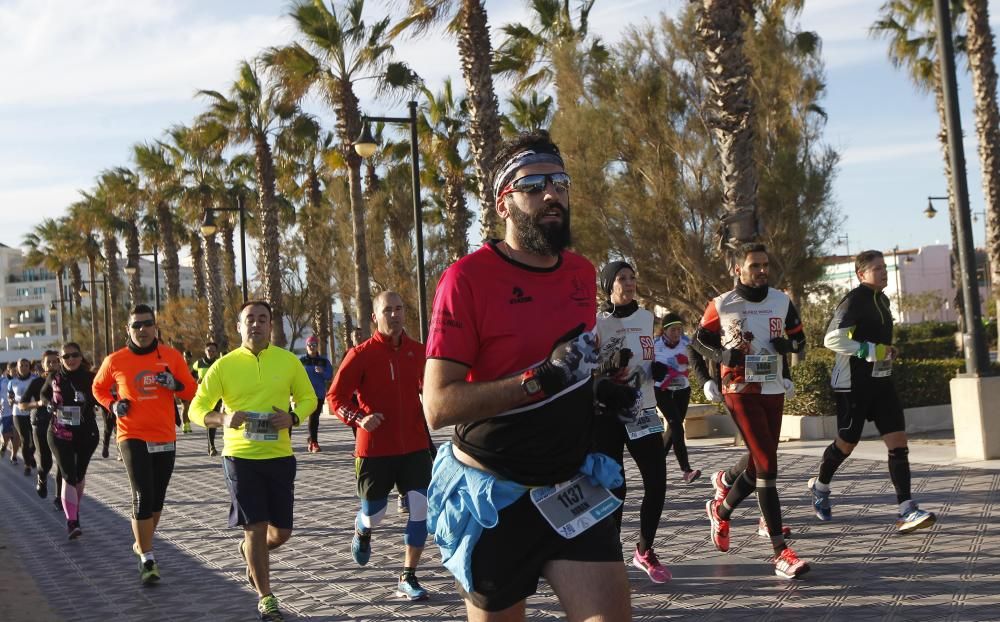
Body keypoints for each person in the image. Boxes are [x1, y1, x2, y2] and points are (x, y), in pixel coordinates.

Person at [422, 131, 633, 620]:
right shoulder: (466, 279)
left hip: (571, 486)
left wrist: (598, 389)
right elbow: (437, 406)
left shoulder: (582, 272)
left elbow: (572, 365)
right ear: (503, 202)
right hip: (496, 495)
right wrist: (539, 380)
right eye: (534, 184)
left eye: (559, 182)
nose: (551, 194)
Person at [189, 300, 316, 622]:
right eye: (250, 319)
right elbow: (195, 408)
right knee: (255, 527)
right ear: (239, 326)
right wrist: (223, 418)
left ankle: (250, 554)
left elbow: (309, 398)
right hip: (240, 457)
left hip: (280, 456)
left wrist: (294, 417)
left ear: (271, 325)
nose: (256, 324)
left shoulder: (287, 361)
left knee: (282, 532)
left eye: (262, 319)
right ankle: (266, 597)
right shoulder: (224, 365)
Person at [691, 243, 810, 579]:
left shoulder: (781, 301)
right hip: (738, 388)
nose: (761, 270)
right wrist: (723, 359)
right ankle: (780, 553)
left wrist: (787, 348)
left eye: (764, 265)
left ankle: (721, 508)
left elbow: (800, 340)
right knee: (768, 465)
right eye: (754, 265)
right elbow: (698, 341)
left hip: (772, 385)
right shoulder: (722, 304)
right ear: (737, 270)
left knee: (760, 460)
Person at [807, 250, 937, 533]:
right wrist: (868, 350)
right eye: (877, 268)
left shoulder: (883, 300)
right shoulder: (855, 300)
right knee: (846, 444)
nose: (883, 272)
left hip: (882, 381)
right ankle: (820, 486)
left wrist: (887, 351)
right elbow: (832, 338)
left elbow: (875, 341)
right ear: (861, 274)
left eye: (884, 267)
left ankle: (906, 509)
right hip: (852, 384)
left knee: (898, 443)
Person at [327, 291, 433, 601]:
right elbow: (335, 398)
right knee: (375, 513)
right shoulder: (360, 354)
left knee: (420, 510)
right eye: (388, 310)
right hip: (374, 450)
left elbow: (433, 387)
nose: (395, 315)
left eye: (399, 309)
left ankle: (407, 575)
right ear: (375, 316)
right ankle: (362, 527)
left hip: (414, 446)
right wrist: (359, 418)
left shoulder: (418, 351)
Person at [92, 304, 197, 585]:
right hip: (131, 434)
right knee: (142, 493)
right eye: (136, 325)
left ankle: (142, 543)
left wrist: (174, 383)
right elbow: (98, 388)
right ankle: (147, 558)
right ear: (128, 329)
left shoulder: (172, 357)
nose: (142, 330)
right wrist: (113, 405)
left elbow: (191, 389)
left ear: (155, 328)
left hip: (163, 435)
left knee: (157, 497)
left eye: (147, 324)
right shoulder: (115, 359)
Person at [593, 261, 671, 584]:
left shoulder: (647, 318)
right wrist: (609, 367)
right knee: (616, 487)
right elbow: (590, 371)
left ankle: (645, 549)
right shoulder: (597, 323)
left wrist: (657, 371)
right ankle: (613, 559)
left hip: (643, 410)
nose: (629, 282)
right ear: (609, 287)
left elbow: (647, 359)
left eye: (632, 277)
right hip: (608, 413)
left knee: (657, 481)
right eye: (622, 278)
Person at [41, 342, 100, 538]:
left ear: (81, 356)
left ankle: (73, 509)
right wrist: (49, 404)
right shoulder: (54, 377)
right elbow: (43, 394)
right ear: (60, 360)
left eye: (75, 355)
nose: (71, 359)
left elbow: (101, 397)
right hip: (59, 432)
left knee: (79, 475)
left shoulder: (91, 378)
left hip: (86, 433)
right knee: (69, 475)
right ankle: (72, 521)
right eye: (66, 357)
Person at [653, 312, 701, 483]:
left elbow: (697, 357)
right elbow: (645, 365)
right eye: (673, 330)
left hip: (682, 390)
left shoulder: (687, 342)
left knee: (673, 429)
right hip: (662, 391)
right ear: (664, 330)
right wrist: (656, 370)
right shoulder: (655, 345)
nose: (676, 333)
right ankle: (686, 470)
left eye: (679, 329)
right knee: (676, 426)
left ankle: (656, 465)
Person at [20, 350, 64, 502]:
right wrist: (39, 403)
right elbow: (22, 405)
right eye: (48, 362)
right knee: (46, 462)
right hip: (40, 423)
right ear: (43, 365)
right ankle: (42, 476)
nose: (52, 365)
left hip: (62, 425)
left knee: (61, 463)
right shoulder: (36, 382)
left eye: (55, 361)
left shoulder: (65, 380)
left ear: (60, 363)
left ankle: (59, 497)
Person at [300, 335, 333, 453]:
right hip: (304, 394)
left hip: (318, 394)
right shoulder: (302, 361)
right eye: (309, 345)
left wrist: (322, 372)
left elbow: (329, 376)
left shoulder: (323, 361)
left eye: (314, 345)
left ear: (317, 346)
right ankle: (312, 440)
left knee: (314, 418)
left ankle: (313, 442)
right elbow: (295, 376)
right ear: (306, 347)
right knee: (312, 418)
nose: (312, 347)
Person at [9, 358, 38, 475]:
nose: (24, 367)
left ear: (29, 367)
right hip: (18, 413)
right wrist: (10, 400)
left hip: (33, 412)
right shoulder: (12, 382)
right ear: (17, 367)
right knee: (25, 440)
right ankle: (27, 465)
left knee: (35, 440)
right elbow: (10, 396)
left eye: (26, 365)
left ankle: (31, 455)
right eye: (21, 365)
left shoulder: (35, 380)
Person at [192, 342, 222, 456]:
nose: (211, 353)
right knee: (209, 419)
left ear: (216, 352)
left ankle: (211, 446)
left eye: (213, 351)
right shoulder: (199, 363)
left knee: (212, 419)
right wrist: (196, 380)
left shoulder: (219, 363)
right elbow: (191, 374)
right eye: (209, 351)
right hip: (203, 396)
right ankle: (212, 446)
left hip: (216, 396)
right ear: (205, 351)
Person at [1, 362, 21, 463]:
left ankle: (14, 456)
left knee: (16, 435)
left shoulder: (20, 381)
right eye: (13, 370)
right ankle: (4, 445)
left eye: (16, 370)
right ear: (8, 370)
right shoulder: (2, 381)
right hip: (5, 412)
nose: (15, 372)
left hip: (17, 412)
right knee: (6, 434)